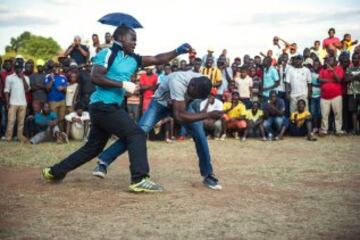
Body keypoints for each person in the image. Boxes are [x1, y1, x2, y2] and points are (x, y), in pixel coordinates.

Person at [42, 25, 194, 193]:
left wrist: (178, 51)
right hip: (103, 106)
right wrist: (123, 84)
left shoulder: (133, 58)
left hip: (109, 107)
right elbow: (96, 77)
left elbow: (157, 59)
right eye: (132, 39)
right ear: (121, 38)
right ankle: (139, 178)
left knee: (93, 148)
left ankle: (55, 172)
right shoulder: (107, 53)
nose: (135, 42)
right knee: (136, 134)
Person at [92, 69, 224, 190]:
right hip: (160, 104)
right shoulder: (178, 82)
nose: (193, 96)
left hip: (181, 106)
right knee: (138, 133)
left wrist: (195, 106)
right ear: (191, 85)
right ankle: (103, 161)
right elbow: (180, 116)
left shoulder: (201, 83)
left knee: (200, 135)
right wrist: (208, 115)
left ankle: (208, 175)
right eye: (192, 94)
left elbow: (189, 106)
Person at [4, 58, 30, 142]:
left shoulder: (26, 78)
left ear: (22, 68)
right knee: (11, 121)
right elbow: (7, 91)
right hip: (13, 103)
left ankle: (19, 137)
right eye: (17, 68)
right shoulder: (9, 77)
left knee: (21, 122)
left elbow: (27, 89)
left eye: (20, 68)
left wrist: (22, 78)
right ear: (14, 68)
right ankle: (8, 138)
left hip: (23, 103)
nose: (19, 69)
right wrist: (7, 103)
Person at [318, 56, 345, 136]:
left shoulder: (338, 69)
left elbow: (339, 80)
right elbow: (320, 80)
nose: (328, 61)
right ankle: (324, 130)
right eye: (328, 60)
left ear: (335, 61)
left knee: (338, 114)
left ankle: (338, 130)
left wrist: (333, 71)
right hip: (324, 96)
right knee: (324, 114)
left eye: (330, 60)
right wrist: (331, 80)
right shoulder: (323, 70)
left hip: (336, 95)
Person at [45, 64, 67, 131]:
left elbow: (66, 90)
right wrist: (52, 79)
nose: (57, 69)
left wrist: (62, 88)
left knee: (61, 119)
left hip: (62, 101)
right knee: (54, 118)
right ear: (53, 68)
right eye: (55, 67)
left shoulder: (63, 77)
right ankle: (54, 134)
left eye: (58, 67)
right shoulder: (48, 76)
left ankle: (61, 134)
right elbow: (47, 89)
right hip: (53, 101)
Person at [345, 52, 360, 134]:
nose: (355, 59)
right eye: (353, 58)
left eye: (356, 58)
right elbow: (346, 79)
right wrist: (355, 77)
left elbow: (349, 78)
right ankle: (354, 129)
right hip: (351, 93)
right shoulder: (349, 68)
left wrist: (352, 77)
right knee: (353, 112)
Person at [310, 60, 322, 133]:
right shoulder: (311, 74)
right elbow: (309, 83)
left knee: (320, 112)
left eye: (317, 64)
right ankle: (315, 127)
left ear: (319, 65)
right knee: (313, 112)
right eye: (314, 64)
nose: (316, 66)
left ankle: (320, 127)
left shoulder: (322, 73)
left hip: (321, 95)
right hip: (313, 95)